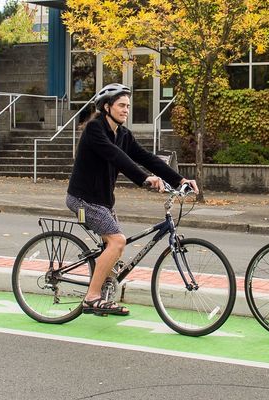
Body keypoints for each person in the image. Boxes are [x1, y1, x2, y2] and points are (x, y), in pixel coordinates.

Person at [66, 83, 197, 316]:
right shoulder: (94, 129)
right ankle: (92, 297)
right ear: (107, 107)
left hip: (103, 201)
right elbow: (117, 157)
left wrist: (179, 181)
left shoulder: (123, 134)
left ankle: (104, 289)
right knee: (117, 241)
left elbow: (146, 157)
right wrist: (145, 178)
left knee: (114, 247)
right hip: (83, 198)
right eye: (121, 105)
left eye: (128, 105)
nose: (126, 110)